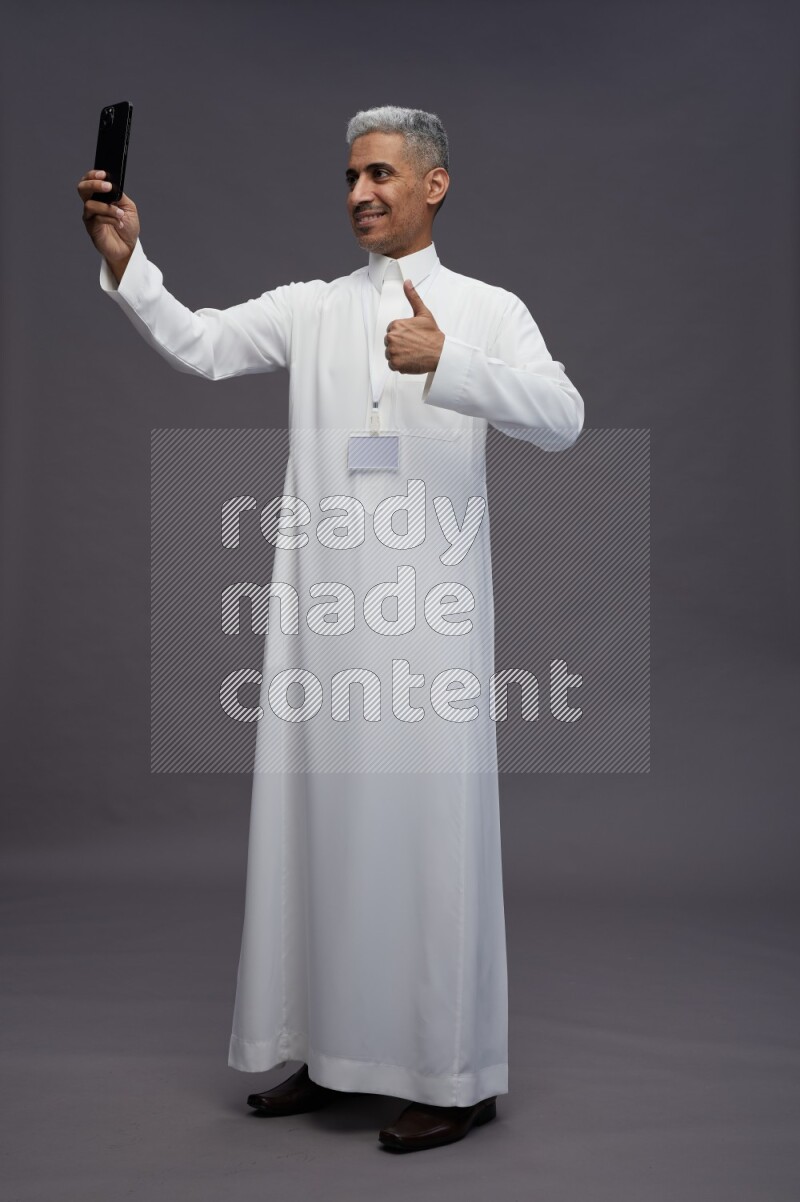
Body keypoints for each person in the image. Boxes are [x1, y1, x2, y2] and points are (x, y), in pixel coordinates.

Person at [77, 105, 584, 1153]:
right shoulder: (311, 309)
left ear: (434, 185)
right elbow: (204, 345)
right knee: (320, 832)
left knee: (429, 842)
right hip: (320, 624)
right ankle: (329, 1050)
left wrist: (449, 363)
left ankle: (452, 1075)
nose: (359, 193)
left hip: (429, 629)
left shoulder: (486, 310)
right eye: (351, 176)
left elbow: (562, 417)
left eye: (381, 174)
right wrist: (129, 262)